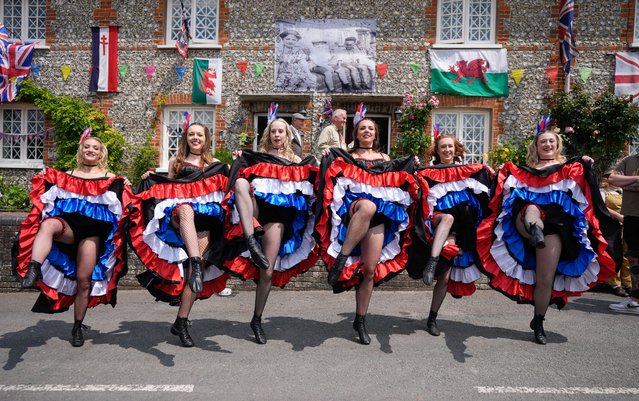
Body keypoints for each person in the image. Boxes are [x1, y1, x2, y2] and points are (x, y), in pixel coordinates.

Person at [476, 123, 619, 345]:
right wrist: (503, 171)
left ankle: (539, 321)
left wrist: (587, 164)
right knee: (532, 209)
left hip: (555, 230)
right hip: (524, 222)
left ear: (557, 145)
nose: (548, 144)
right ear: (536, 146)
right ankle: (535, 231)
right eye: (543, 141)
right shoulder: (523, 172)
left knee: (545, 279)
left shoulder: (569, 171)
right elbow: (504, 193)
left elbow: (590, 199)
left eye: (551, 141)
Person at [13, 135, 131, 347]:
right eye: (87, 146)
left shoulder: (110, 178)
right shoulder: (65, 176)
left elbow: (127, 204)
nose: (91, 150)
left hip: (91, 236)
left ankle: (78, 326)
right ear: (81, 150)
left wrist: (127, 184)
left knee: (83, 281)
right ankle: (34, 268)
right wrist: (44, 176)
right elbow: (45, 194)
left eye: (95, 147)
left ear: (101, 153)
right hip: (68, 230)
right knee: (47, 225)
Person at [316, 118, 426, 345]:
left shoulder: (387, 160)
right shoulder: (348, 157)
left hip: (379, 217)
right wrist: (327, 153)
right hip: (355, 209)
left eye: (371, 129)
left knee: (369, 271)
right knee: (367, 205)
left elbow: (402, 180)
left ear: (376, 135)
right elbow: (328, 174)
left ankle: (360, 319)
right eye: (363, 128)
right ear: (356, 134)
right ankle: (341, 260)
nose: (367, 131)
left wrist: (413, 163)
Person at [131, 123, 229, 347]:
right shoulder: (176, 162)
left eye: (200, 135)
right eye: (192, 134)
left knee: (197, 275)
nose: (196, 138)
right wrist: (151, 177)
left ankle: (181, 322)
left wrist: (236, 161)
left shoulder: (215, 164)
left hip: (203, 222)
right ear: (186, 138)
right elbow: (171, 187)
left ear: (207, 139)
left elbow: (230, 184)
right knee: (185, 209)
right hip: (179, 217)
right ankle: (195, 262)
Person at [225, 118, 319, 344]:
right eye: (273, 132)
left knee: (266, 271)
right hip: (257, 211)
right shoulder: (256, 157)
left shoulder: (297, 161)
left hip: (277, 220)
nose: (277, 135)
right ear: (268, 135)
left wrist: (323, 161)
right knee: (240, 185)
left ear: (287, 135)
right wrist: (237, 161)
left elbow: (316, 182)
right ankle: (249, 239)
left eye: (281, 132)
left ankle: (256, 319)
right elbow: (236, 178)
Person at [411, 134, 492, 336]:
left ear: (456, 150)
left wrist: (490, 173)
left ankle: (432, 318)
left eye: (450, 147)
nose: (447, 150)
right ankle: (431, 263)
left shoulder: (470, 173)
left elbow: (495, 187)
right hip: (439, 223)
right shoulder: (429, 172)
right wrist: (412, 166)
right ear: (436, 151)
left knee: (445, 278)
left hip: (461, 229)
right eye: (443, 147)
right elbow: (411, 185)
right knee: (447, 218)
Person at [608, 151, 639, 313]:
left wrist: (626, 182)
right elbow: (612, 180)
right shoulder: (630, 160)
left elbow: (620, 182)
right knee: (633, 258)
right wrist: (636, 179)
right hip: (631, 216)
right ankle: (635, 300)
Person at [599, 170, 630, 297]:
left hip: (628, 225)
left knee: (628, 254)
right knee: (614, 254)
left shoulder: (624, 192)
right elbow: (601, 207)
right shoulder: (603, 192)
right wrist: (618, 216)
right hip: (612, 226)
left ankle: (628, 283)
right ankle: (615, 283)